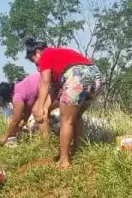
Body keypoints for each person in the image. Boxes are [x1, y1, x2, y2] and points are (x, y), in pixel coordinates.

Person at [24, 38, 103, 169]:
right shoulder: (60, 54)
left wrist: (41, 106)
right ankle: (79, 151)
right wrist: (44, 107)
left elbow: (45, 82)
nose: (37, 66)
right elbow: (54, 90)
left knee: (66, 120)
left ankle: (64, 161)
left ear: (38, 52)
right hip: (96, 77)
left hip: (77, 76)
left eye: (34, 61)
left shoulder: (46, 55)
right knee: (75, 116)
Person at [0, 74, 42, 146]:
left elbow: (15, 120)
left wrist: (5, 136)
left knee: (38, 114)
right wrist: (18, 129)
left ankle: (45, 143)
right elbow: (26, 114)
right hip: (43, 80)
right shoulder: (18, 87)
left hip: (46, 84)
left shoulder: (17, 97)